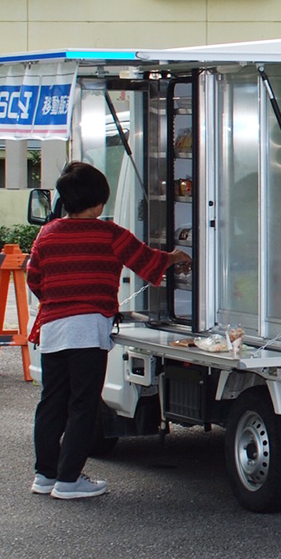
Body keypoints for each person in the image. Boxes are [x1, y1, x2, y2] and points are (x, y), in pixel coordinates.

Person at [28, 162, 192, 500]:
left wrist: (58, 301)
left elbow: (34, 278)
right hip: (88, 330)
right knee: (83, 405)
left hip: (53, 329)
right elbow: (146, 260)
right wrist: (176, 257)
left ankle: (45, 475)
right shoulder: (109, 234)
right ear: (100, 201)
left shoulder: (48, 234)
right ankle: (69, 480)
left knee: (52, 404)